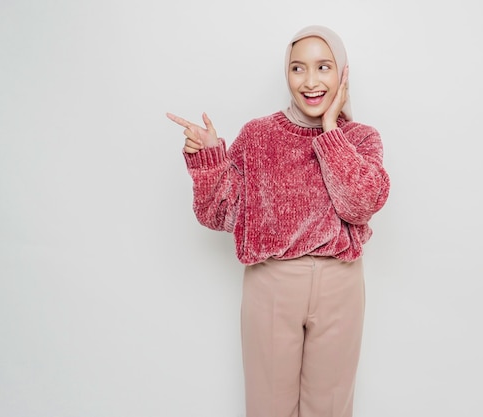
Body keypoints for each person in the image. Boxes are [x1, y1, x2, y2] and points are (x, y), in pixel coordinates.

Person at [167, 25, 390, 417]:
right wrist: (209, 159)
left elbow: (360, 204)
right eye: (298, 68)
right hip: (271, 284)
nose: (311, 81)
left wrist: (331, 129)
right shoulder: (258, 136)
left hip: (341, 285)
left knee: (331, 408)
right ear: (286, 75)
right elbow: (220, 213)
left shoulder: (362, 139)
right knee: (268, 407)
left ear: (342, 73)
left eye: (324, 67)